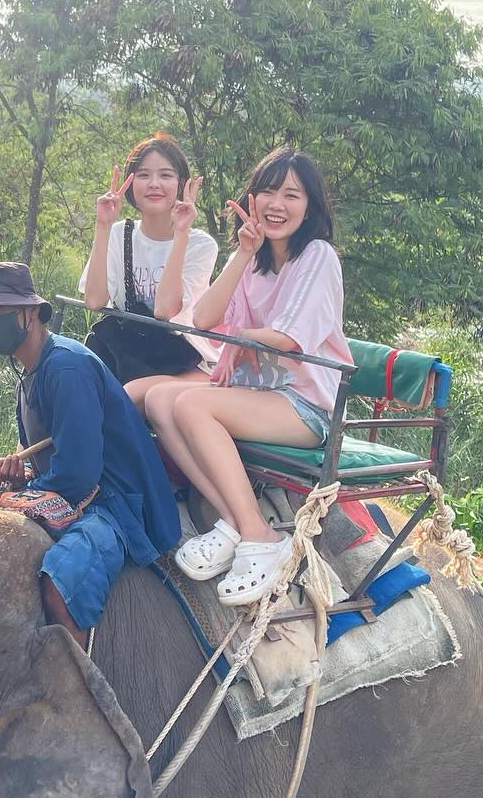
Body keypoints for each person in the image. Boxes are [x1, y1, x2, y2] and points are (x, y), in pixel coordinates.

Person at [144, 149, 352, 608]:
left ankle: (261, 536)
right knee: (160, 400)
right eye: (267, 192)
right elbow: (204, 316)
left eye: (291, 195)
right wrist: (242, 253)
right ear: (251, 200)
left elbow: (287, 338)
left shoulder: (317, 256)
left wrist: (241, 339)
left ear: (310, 205)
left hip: (303, 406)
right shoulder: (255, 261)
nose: (277, 204)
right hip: (257, 397)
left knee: (191, 404)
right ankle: (235, 521)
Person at [0, 261, 180, 648]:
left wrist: (23, 496)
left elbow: (78, 473)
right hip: (81, 492)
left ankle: (81, 687)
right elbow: (55, 458)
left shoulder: (65, 367)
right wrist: (24, 478)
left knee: (60, 585)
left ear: (29, 311)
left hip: (114, 505)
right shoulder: (29, 374)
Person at [78, 133, 219, 409]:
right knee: (70, 386)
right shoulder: (119, 235)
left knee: (124, 399)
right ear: (131, 184)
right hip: (125, 351)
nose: (154, 184)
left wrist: (181, 234)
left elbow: (166, 311)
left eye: (166, 175)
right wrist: (103, 226)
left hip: (181, 359)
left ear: (181, 184)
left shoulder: (201, 245)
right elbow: (94, 301)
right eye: (144, 175)